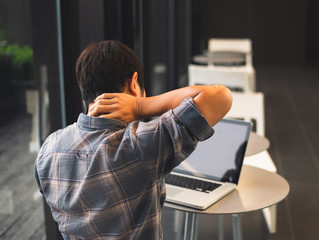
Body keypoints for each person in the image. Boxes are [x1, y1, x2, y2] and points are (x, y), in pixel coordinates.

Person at [34, 40, 232, 240]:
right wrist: (139, 105)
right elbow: (220, 96)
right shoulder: (139, 146)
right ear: (133, 83)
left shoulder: (49, 150)